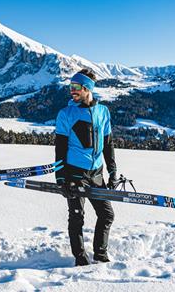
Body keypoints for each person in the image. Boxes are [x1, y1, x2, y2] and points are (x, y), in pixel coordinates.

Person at [54, 69, 117, 266]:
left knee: (107, 214)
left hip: (96, 172)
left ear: (87, 89)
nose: (71, 91)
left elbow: (108, 144)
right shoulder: (66, 114)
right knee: (76, 216)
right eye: (70, 87)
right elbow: (60, 148)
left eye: (76, 87)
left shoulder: (103, 111)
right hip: (74, 172)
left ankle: (100, 254)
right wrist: (60, 178)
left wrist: (113, 171)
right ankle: (80, 258)